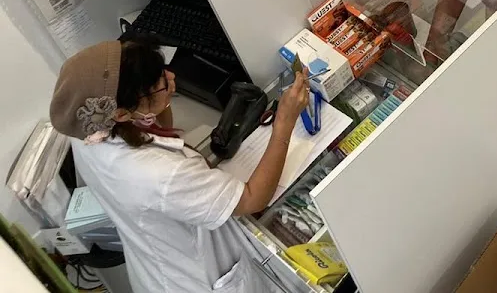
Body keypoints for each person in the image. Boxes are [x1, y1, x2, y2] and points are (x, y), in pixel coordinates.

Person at [49, 40, 311, 293]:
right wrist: (284, 123)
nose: (171, 77)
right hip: (194, 279)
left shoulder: (88, 129)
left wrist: (160, 97)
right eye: (161, 82)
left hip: (153, 263)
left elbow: (158, 130)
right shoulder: (158, 174)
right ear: (121, 113)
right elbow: (252, 199)